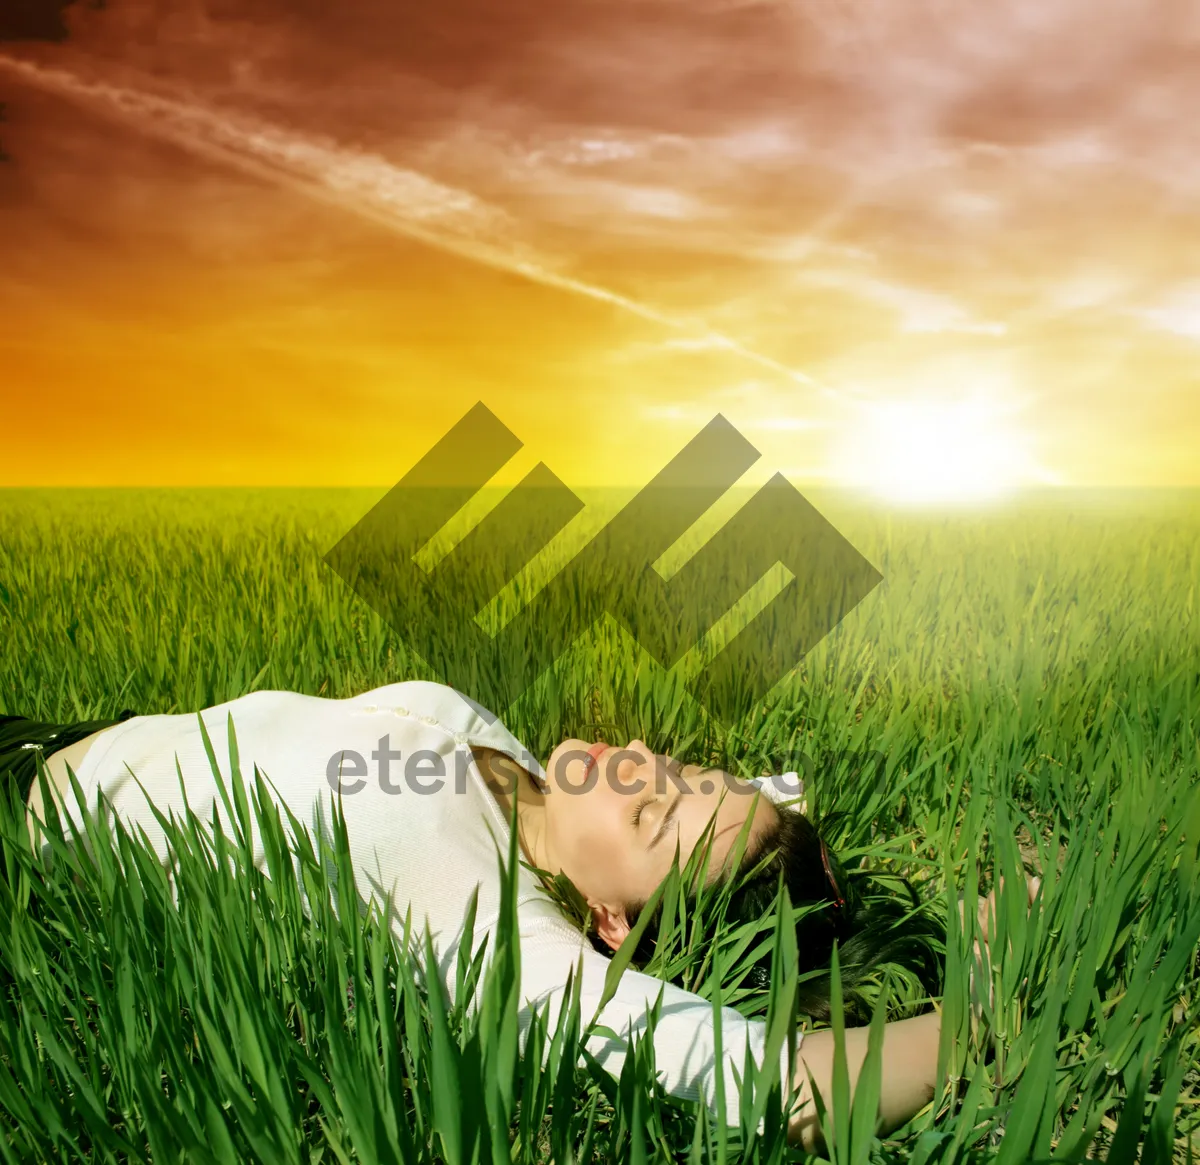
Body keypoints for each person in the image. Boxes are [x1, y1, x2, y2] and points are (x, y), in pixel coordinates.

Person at [8, 680, 1009, 1149]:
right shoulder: (522, 772)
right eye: (684, 769)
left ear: (612, 921)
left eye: (653, 811)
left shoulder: (483, 909)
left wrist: (988, 979)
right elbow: (766, 796)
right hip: (70, 730)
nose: (643, 768)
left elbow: (783, 1088)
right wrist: (780, 826)